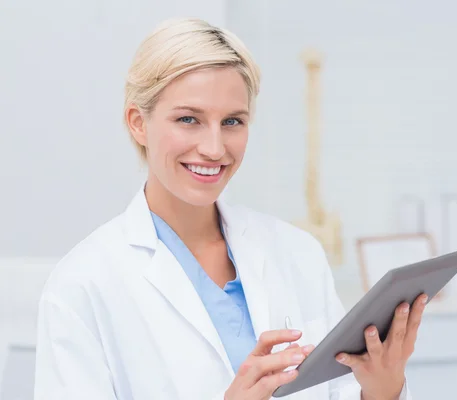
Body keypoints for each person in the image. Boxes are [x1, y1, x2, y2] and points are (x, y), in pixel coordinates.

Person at [33, 17, 427, 400]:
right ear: (138, 122)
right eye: (189, 119)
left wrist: (382, 391)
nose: (214, 148)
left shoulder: (296, 252)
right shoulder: (83, 284)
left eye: (233, 121)